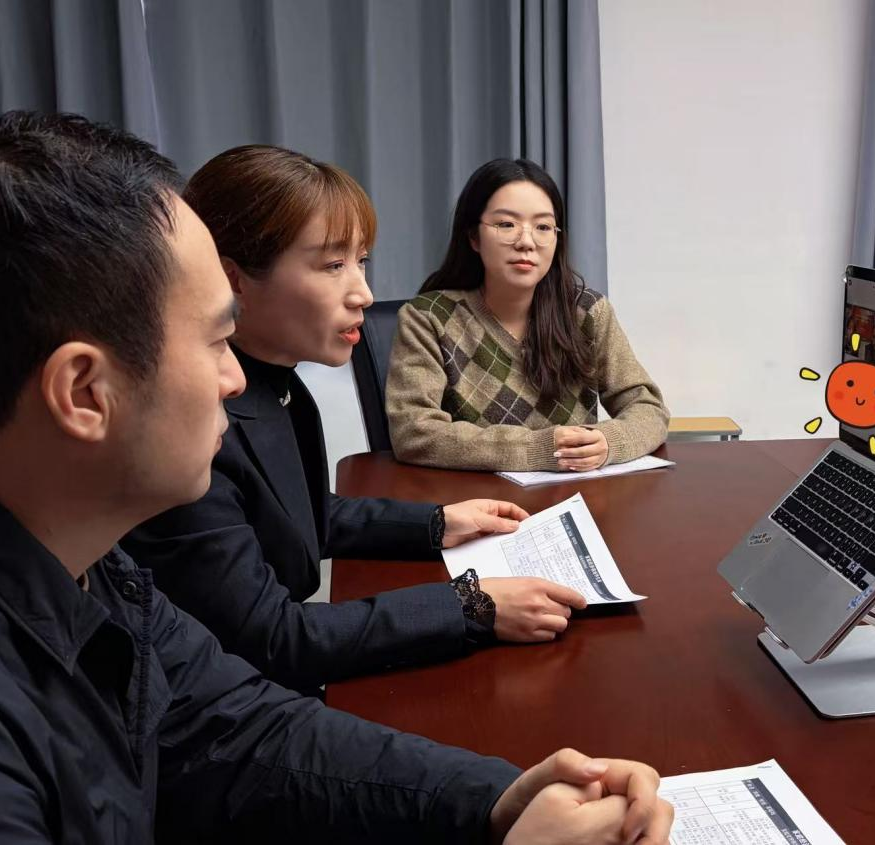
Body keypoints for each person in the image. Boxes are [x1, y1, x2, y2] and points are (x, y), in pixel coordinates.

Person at [0, 111, 672, 844]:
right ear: (85, 392)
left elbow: (240, 724)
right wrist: (470, 608)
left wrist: (498, 802)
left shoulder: (95, 569)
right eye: (217, 339)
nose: (232, 380)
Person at [122, 145, 585, 695]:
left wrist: (437, 523)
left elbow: (302, 515)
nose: (363, 293)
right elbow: (271, 639)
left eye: (360, 261)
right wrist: (469, 604)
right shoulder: (195, 429)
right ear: (233, 279)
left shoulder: (281, 386)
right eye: (332, 265)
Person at [386, 158, 669, 472]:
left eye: (543, 227)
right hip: (474, 498)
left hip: (575, 496)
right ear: (474, 237)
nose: (526, 242)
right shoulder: (427, 318)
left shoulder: (586, 312)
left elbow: (648, 407)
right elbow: (413, 431)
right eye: (506, 224)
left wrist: (609, 442)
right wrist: (539, 449)